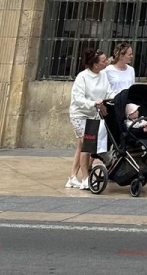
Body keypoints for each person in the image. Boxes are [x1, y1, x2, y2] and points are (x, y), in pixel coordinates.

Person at [66, 46, 109, 190]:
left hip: (93, 115)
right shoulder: (82, 77)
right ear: (95, 64)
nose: (106, 62)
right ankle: (85, 178)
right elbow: (78, 99)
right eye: (103, 61)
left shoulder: (103, 75)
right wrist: (93, 103)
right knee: (87, 144)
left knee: (81, 146)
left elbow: (108, 92)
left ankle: (72, 177)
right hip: (79, 114)